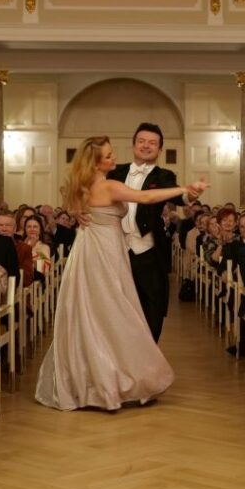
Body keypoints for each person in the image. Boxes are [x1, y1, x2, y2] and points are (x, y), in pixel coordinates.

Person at [34, 136, 207, 411]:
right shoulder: (109, 185)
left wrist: (79, 213)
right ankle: (112, 381)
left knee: (92, 313)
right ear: (96, 162)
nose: (114, 159)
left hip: (87, 251)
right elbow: (146, 197)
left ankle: (90, 380)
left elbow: (77, 208)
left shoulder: (80, 186)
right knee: (114, 311)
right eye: (109, 155)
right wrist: (185, 188)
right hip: (105, 253)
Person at [106, 123, 203, 342]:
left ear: (159, 150)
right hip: (115, 249)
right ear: (133, 145)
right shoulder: (115, 172)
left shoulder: (164, 175)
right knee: (115, 304)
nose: (146, 146)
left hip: (148, 250)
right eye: (141, 141)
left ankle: (148, 354)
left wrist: (191, 194)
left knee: (152, 305)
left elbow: (179, 197)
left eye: (152, 143)